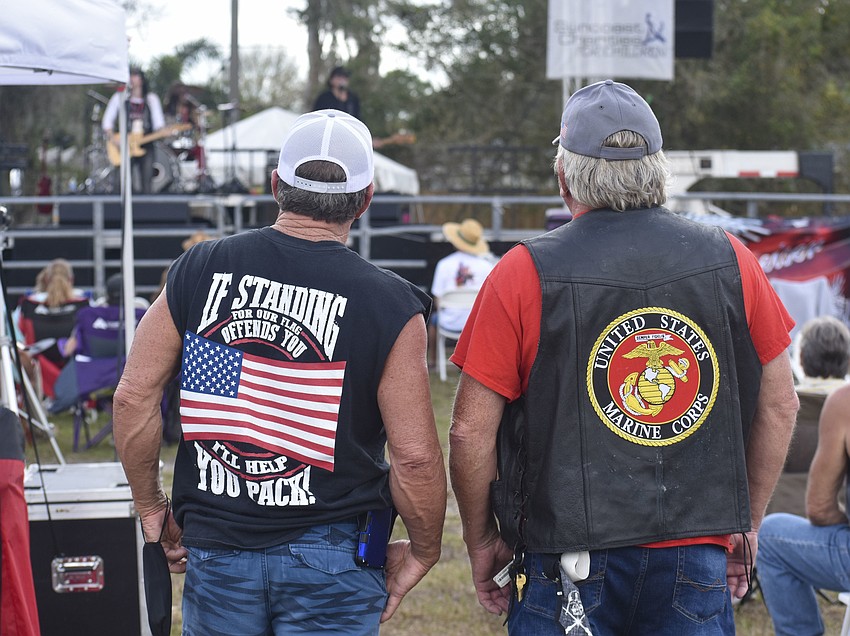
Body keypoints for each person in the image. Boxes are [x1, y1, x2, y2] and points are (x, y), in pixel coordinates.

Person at [448, 79, 799, 635]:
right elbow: (780, 404)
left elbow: (470, 431)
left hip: (563, 558)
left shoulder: (521, 272)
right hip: (694, 554)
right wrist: (746, 523)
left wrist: (482, 539)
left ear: (564, 177)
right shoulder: (733, 259)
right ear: (658, 171)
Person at [113, 108, 446, 634]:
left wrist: (151, 506)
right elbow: (416, 458)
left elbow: (134, 396)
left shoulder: (200, 267)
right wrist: (424, 548)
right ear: (365, 200)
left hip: (217, 549)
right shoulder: (389, 304)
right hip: (333, 554)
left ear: (275, 186)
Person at [757, 317, 850, 636]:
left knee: (770, 537)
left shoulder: (841, 404)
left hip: (796, 509)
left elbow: (820, 508)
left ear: (803, 358)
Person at [428, 218, 497, 367]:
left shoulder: (444, 264)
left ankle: (433, 361)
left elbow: (437, 298)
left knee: (433, 320)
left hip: (448, 321)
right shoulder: (486, 266)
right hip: (476, 323)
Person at [101, 67, 166, 193]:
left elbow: (159, 124)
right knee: (121, 182)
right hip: (124, 145)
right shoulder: (120, 97)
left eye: (135, 75)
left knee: (146, 183)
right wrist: (114, 140)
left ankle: (144, 203)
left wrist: (164, 131)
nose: (131, 78)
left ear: (141, 79)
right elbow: (107, 122)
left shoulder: (151, 99)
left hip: (145, 144)